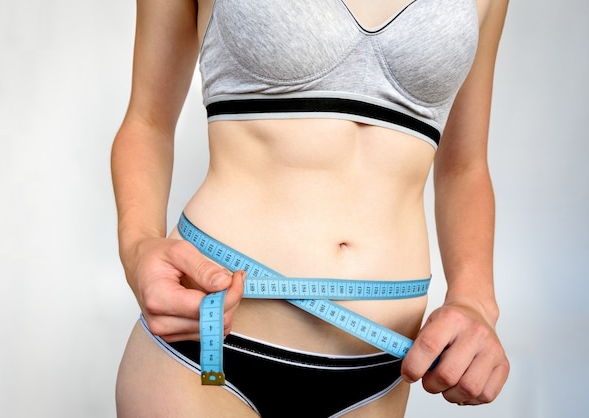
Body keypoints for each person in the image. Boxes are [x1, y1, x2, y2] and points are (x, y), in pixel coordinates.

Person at [111, 0, 510, 416]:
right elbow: (148, 122)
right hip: (209, 345)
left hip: (377, 370)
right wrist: (138, 247)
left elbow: (464, 166)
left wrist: (475, 301)